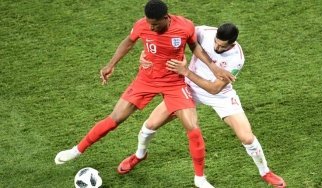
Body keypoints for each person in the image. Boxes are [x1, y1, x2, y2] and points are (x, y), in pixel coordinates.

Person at [54, 1, 234, 188]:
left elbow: (194, 46)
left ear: (166, 18)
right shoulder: (142, 25)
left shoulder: (185, 26)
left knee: (193, 127)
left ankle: (200, 178)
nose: (151, 27)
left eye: (155, 24)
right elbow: (128, 42)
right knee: (115, 118)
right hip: (146, 79)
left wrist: (213, 66)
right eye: (149, 23)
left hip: (174, 82)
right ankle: (77, 150)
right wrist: (111, 64)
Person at [118, 23, 287, 188]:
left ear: (232, 44)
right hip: (188, 89)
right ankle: (139, 155)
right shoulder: (203, 32)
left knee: (247, 137)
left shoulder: (237, 58)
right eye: (215, 42)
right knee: (150, 125)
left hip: (220, 96)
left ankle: (265, 172)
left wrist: (186, 72)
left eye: (221, 47)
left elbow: (214, 89)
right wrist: (146, 55)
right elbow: (170, 40)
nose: (216, 48)